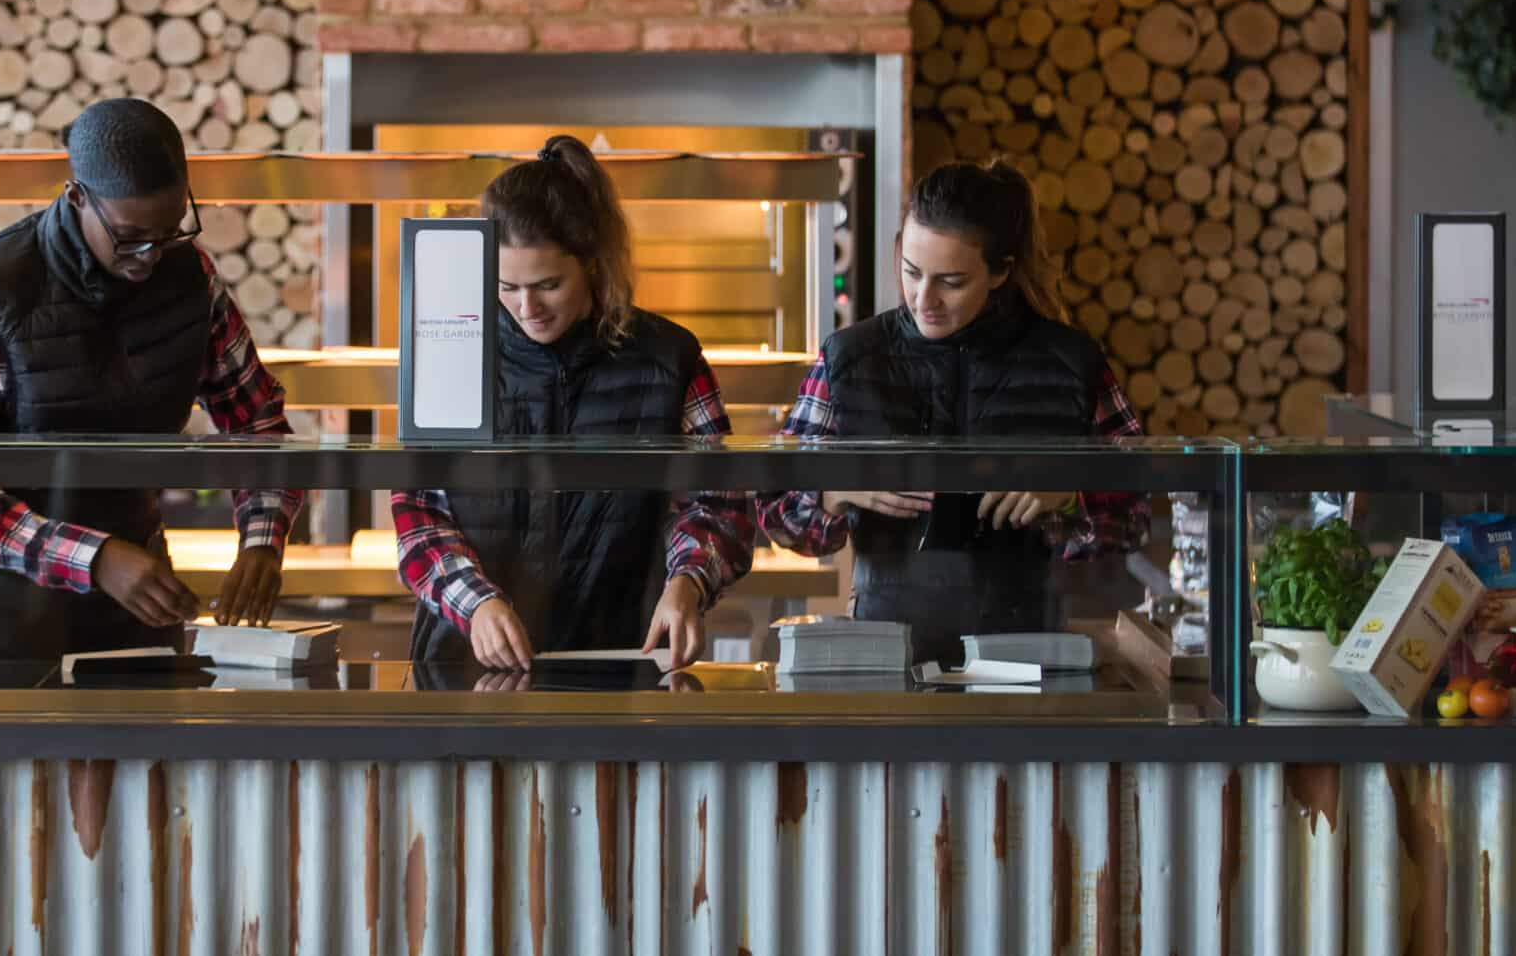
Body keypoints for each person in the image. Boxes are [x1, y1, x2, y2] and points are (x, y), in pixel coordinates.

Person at [0, 99, 302, 660]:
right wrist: (95, 558)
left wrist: (262, 541)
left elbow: (257, 422)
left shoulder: (192, 279)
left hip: (134, 591)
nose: (150, 257)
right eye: (130, 237)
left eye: (169, 232)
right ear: (76, 198)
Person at [760, 159, 1148, 668]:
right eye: (911, 272)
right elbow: (777, 513)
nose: (925, 300)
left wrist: (1070, 500)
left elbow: (1134, 516)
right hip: (885, 653)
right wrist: (833, 493)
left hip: (1029, 655)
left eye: (952, 281)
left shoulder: (1071, 363)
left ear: (1001, 271)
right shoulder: (848, 359)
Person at [392, 136, 754, 674]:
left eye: (549, 285)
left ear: (593, 264)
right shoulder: (449, 351)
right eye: (506, 286)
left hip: (618, 657)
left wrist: (688, 581)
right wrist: (476, 603)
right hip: (466, 663)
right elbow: (419, 511)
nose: (527, 308)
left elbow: (720, 505)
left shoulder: (670, 358)